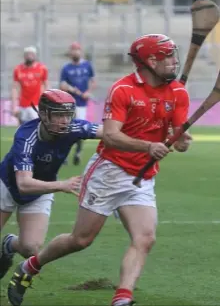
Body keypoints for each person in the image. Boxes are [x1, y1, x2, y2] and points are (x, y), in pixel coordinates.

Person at [7, 34, 192, 306]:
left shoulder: (178, 92)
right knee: (81, 240)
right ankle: (30, 266)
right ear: (150, 61)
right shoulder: (123, 90)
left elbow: (178, 138)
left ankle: (122, 297)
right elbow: (111, 136)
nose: (175, 62)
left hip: (142, 178)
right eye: (168, 57)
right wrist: (148, 147)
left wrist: (182, 140)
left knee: (145, 238)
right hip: (109, 171)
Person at [0, 89, 102, 283]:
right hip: (7, 184)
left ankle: (8, 245)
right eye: (59, 115)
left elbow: (110, 134)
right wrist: (61, 185)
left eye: (67, 115)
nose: (65, 121)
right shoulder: (26, 136)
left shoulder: (73, 128)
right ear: (44, 114)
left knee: (30, 248)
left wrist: (150, 140)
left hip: (43, 188)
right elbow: (23, 184)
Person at [59, 41, 96, 165]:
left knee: (80, 128)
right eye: (73, 49)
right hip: (69, 102)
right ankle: (63, 155)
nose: (75, 52)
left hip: (82, 103)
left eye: (77, 49)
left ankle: (78, 152)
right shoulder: (66, 68)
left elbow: (93, 81)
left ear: (81, 51)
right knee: (65, 128)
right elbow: (62, 84)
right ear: (70, 53)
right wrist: (72, 89)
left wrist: (88, 92)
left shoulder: (87, 66)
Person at [11, 46, 49, 125]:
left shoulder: (42, 68)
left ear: (35, 55)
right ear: (24, 56)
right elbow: (15, 88)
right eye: (27, 54)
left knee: (36, 127)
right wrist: (14, 106)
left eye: (31, 54)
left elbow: (46, 86)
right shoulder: (18, 69)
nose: (29, 56)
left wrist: (47, 103)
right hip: (22, 104)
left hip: (36, 104)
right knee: (22, 127)